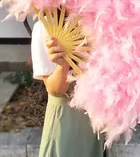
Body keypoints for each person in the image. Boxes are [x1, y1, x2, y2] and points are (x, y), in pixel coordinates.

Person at [31, 19, 111, 157]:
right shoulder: (45, 26)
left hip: (97, 122)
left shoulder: (105, 23)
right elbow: (55, 90)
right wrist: (63, 66)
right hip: (65, 121)